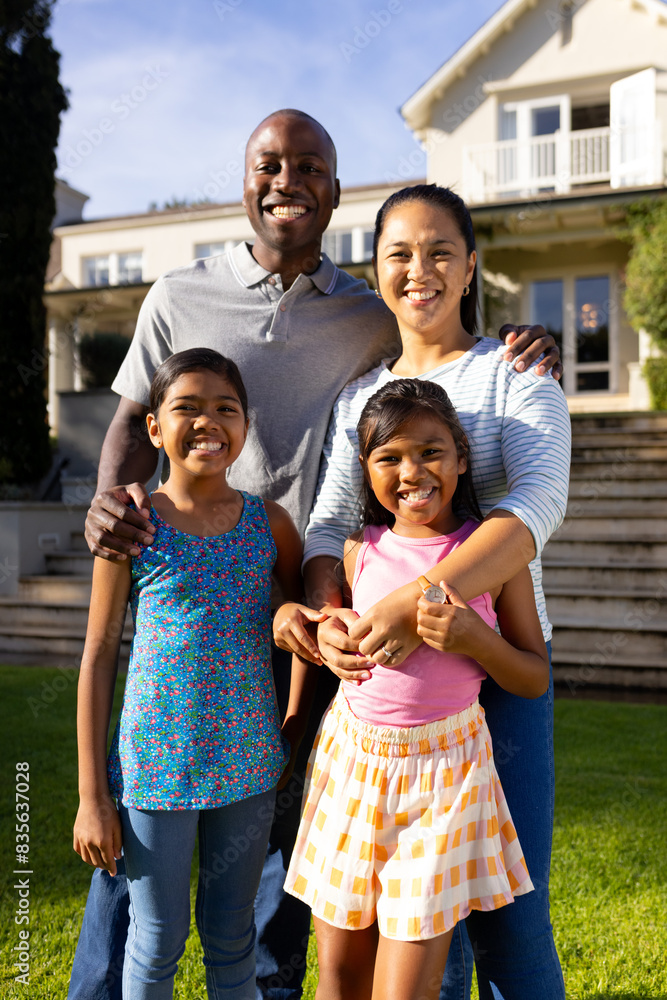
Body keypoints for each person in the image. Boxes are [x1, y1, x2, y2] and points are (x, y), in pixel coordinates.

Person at [70, 110, 561, 1000]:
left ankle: (257, 981)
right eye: (268, 163)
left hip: (390, 624)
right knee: (160, 851)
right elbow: (139, 434)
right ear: (244, 177)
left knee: (333, 853)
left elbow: (513, 477)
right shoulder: (191, 300)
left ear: (334, 190)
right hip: (235, 599)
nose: (286, 179)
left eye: (309, 166)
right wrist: (112, 509)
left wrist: (534, 340)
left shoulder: (402, 330)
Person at [297, 184, 571, 999]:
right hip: (380, 700)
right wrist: (331, 614)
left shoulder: (516, 373)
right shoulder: (359, 401)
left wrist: (410, 608)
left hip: (498, 670)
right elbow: (326, 532)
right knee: (410, 927)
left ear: (470, 266)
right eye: (399, 254)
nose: (420, 269)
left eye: (440, 250)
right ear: (376, 272)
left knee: (511, 922)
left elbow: (535, 507)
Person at [281, 378, 549, 1000]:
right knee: (339, 977)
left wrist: (476, 641)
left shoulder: (494, 554)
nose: (412, 471)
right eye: (389, 457)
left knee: (405, 988)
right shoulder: (357, 553)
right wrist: (318, 649)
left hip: (446, 782)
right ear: (366, 469)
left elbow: (533, 676)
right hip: (353, 770)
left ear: (460, 455)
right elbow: (325, 633)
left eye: (431, 451)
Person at [73, 349, 317, 999]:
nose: (207, 421)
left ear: (244, 427)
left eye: (225, 409)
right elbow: (97, 656)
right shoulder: (132, 527)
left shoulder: (272, 525)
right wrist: (93, 796)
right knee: (154, 943)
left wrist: (291, 726)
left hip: (248, 767)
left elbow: (301, 631)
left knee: (232, 939)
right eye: (186, 407)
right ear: (153, 428)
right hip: (155, 771)